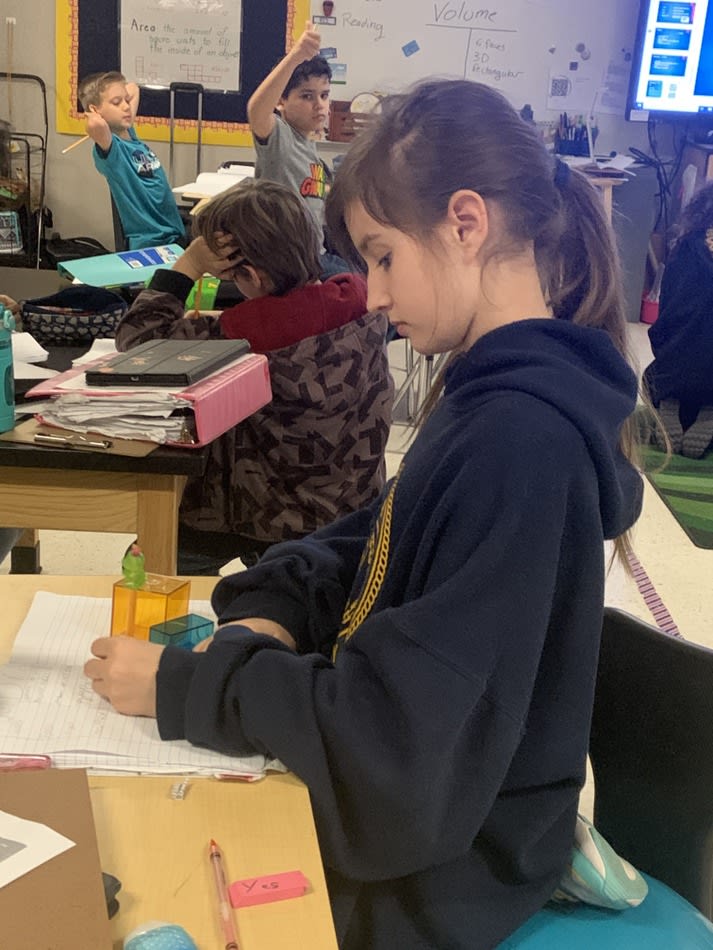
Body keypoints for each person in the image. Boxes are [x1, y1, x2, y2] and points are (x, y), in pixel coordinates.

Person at [84, 79, 643, 948]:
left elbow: (395, 756)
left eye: (382, 256)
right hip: (435, 825)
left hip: (444, 876)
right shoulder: (488, 399)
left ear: (465, 223)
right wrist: (271, 605)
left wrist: (189, 688)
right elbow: (368, 542)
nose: (373, 296)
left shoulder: (519, 443)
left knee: (132, 884)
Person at [114, 177, 393, 574]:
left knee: (150, 560)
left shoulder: (243, 334)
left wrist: (190, 264)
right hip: (348, 511)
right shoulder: (361, 303)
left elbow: (137, 339)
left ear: (254, 276)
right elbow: (296, 320)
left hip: (257, 515)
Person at [247, 21, 349, 278]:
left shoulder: (310, 148)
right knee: (364, 287)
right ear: (281, 101)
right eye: (307, 96)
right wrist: (295, 57)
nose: (319, 105)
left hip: (317, 254)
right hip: (294, 264)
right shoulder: (280, 138)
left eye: (324, 95)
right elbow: (256, 110)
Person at [77, 71, 186, 251]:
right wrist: (93, 115)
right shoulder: (113, 150)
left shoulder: (129, 134)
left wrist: (118, 97)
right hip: (152, 242)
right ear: (95, 110)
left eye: (126, 100)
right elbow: (95, 125)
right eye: (116, 102)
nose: (126, 107)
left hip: (172, 234)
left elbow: (134, 88)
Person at [643, 181, 713, 458]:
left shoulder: (686, 247)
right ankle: (707, 407)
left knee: (668, 363)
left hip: (671, 366)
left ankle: (670, 398)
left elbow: (666, 317)